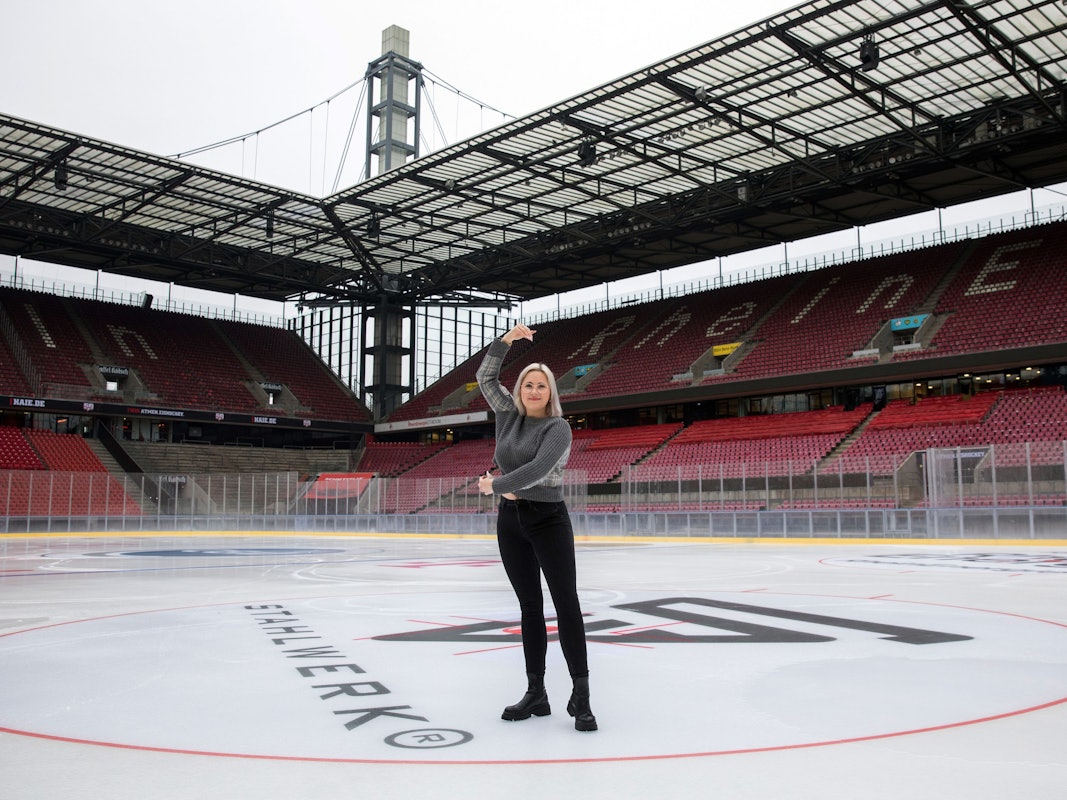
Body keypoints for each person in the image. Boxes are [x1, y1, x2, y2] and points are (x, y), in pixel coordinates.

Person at [476, 323, 597, 732]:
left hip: (548, 519)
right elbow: (485, 377)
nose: (532, 391)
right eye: (527, 384)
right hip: (511, 523)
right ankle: (536, 692)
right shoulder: (507, 415)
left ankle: (581, 697)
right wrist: (507, 341)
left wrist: (496, 486)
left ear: (550, 393)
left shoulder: (557, 428)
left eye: (540, 385)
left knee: (567, 605)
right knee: (530, 607)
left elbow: (538, 470)